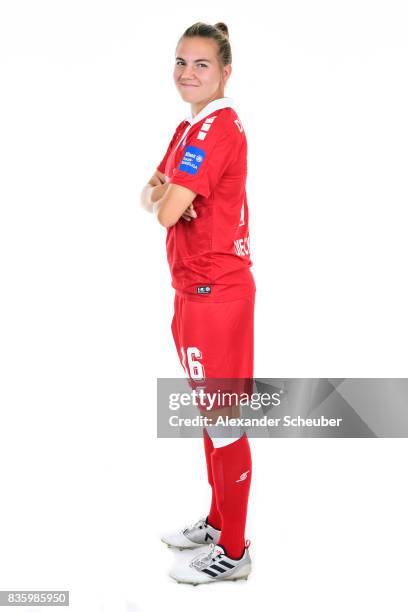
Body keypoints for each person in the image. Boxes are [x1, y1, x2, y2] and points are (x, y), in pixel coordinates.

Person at [140, 21, 256, 585]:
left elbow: (161, 209)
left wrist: (168, 198)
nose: (188, 73)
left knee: (225, 420)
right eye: (181, 62)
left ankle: (233, 552)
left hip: (217, 295)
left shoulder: (217, 131)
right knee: (209, 415)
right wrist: (167, 194)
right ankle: (217, 520)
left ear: (225, 72)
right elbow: (149, 193)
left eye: (202, 64)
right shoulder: (190, 128)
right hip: (189, 290)